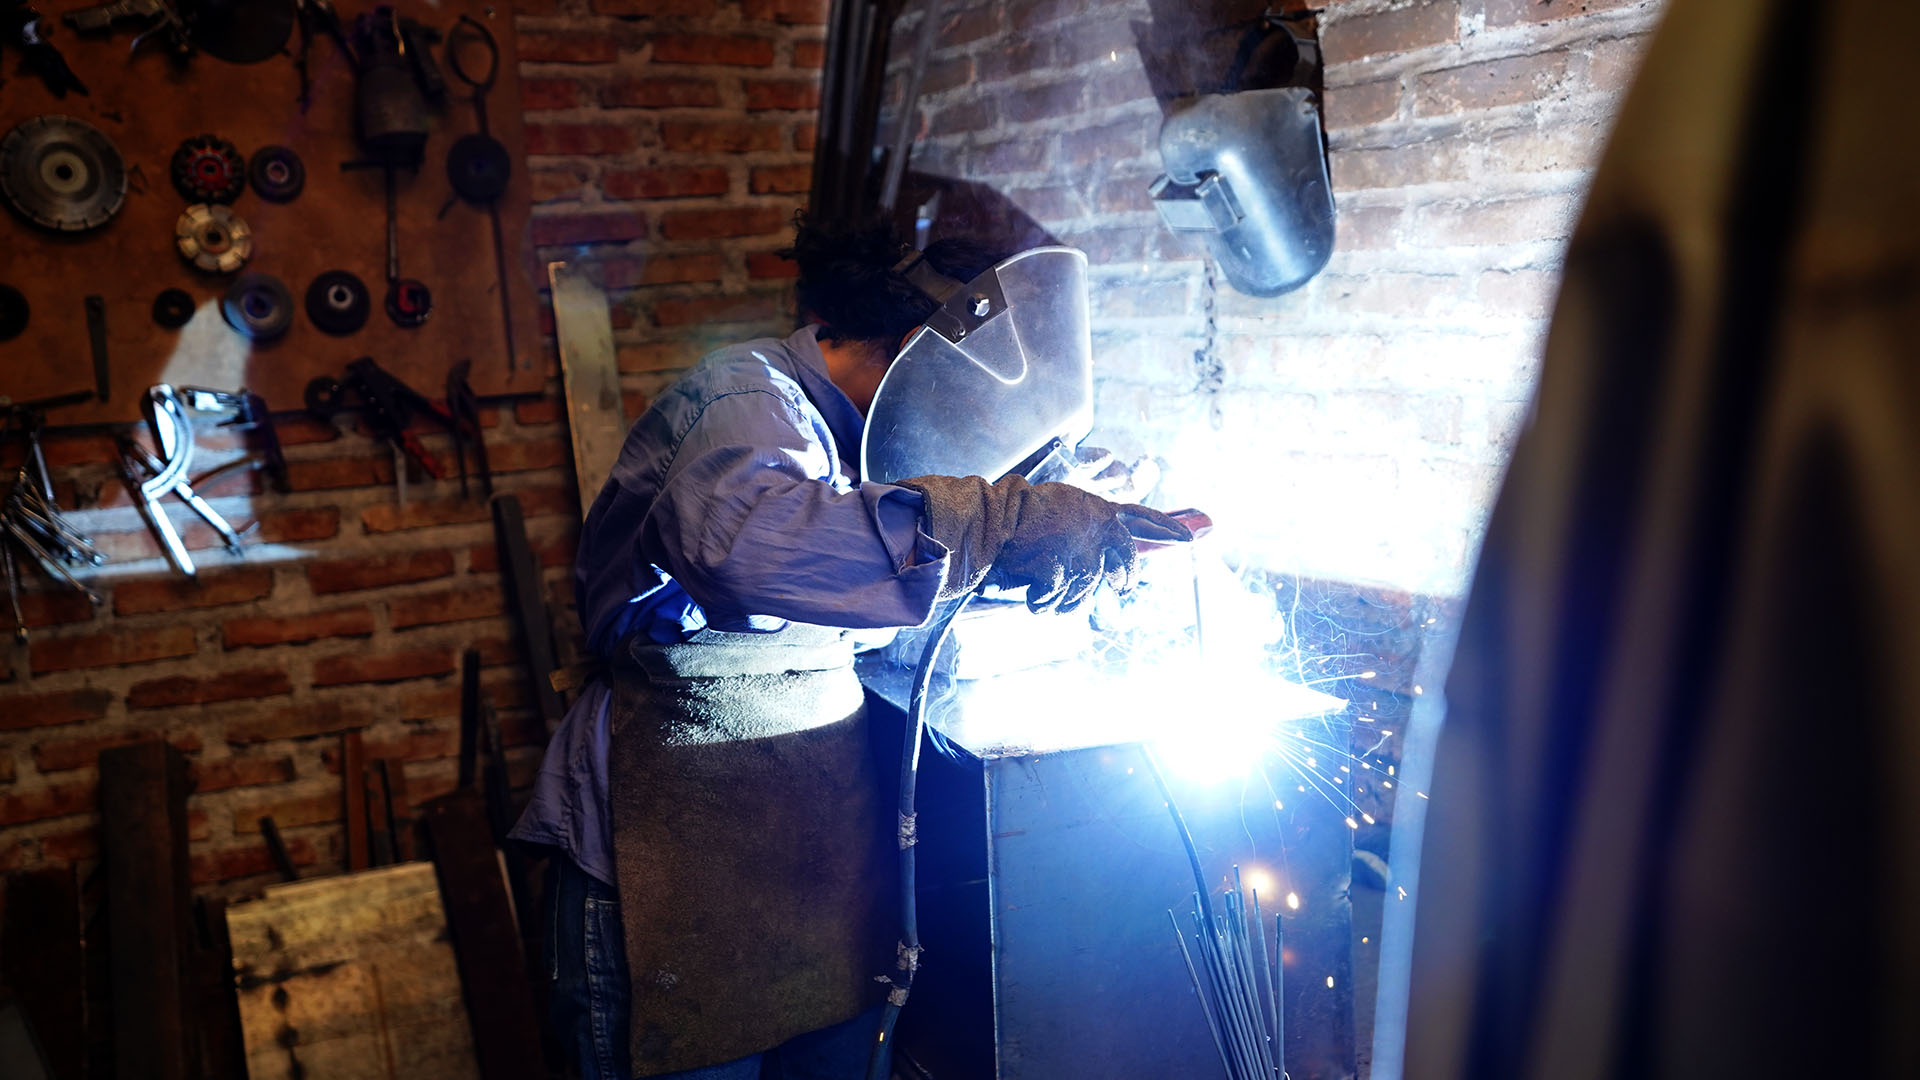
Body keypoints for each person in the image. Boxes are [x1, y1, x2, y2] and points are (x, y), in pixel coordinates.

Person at [512, 216, 1189, 1080]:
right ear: (919, 358)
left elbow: (909, 563)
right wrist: (1003, 519)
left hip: (804, 862)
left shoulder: (877, 441)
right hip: (660, 861)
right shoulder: (745, 402)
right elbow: (755, 549)